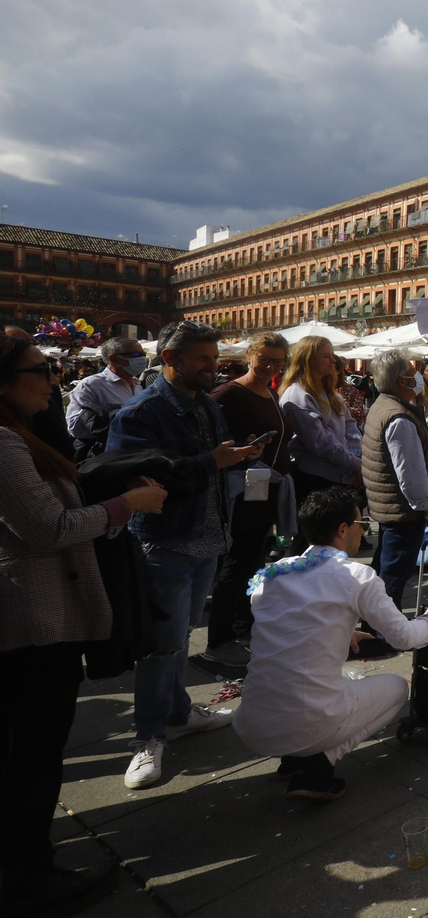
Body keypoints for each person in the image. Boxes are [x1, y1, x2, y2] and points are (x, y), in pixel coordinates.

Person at [0, 335, 167, 917]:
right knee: (36, 748)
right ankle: (27, 875)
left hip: (32, 616)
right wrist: (130, 506)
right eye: (38, 371)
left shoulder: (21, 437)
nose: (51, 382)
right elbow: (46, 528)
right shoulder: (2, 444)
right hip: (31, 620)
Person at [107, 320, 263, 790]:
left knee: (181, 637)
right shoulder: (141, 411)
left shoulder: (205, 406)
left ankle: (178, 712)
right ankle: (148, 737)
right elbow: (134, 477)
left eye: (214, 358)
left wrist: (238, 456)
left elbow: (212, 464)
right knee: (161, 645)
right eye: (202, 358)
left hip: (208, 539)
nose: (211, 366)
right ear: (170, 359)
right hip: (165, 542)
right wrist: (211, 462)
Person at [232, 488, 428, 802]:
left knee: (311, 687)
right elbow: (404, 638)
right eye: (361, 523)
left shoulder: (274, 573)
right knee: (398, 688)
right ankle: (320, 762)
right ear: (343, 529)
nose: (364, 530)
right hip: (309, 721)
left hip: (252, 724)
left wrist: (343, 633)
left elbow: (286, 626)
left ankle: (293, 758)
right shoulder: (356, 576)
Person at [204, 332, 291, 668]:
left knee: (252, 561)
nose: (270, 365)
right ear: (249, 355)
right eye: (264, 359)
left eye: (278, 361)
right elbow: (210, 437)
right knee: (236, 564)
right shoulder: (228, 392)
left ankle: (243, 626)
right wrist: (241, 449)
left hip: (264, 490)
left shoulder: (269, 391)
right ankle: (219, 638)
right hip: (241, 491)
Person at [360, 350, 428, 610]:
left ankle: (377, 625)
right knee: (394, 574)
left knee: (385, 570)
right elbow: (410, 475)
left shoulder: (383, 406)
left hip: (389, 506)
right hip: (401, 511)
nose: (417, 377)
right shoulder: (399, 417)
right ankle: (382, 629)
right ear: (402, 381)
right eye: (412, 373)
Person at [280, 337, 361, 509]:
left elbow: (351, 427)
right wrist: (354, 463)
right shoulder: (298, 396)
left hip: (338, 475)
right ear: (309, 359)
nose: (333, 360)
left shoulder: (331, 394)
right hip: (314, 479)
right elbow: (320, 442)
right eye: (326, 356)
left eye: (332, 355)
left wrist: (354, 457)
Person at [64, 336, 146, 460]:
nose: (142, 359)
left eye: (143, 354)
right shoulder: (91, 385)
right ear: (113, 358)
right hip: (108, 458)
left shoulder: (137, 385)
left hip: (137, 455)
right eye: (135, 354)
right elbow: (75, 427)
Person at [6, 327, 75, 461]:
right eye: (39, 370)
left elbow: (60, 440)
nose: (54, 381)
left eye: (28, 342)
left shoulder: (42, 399)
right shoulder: (6, 444)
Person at [335, 356, 368, 430]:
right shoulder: (319, 391)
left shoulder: (350, 390)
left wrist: (343, 400)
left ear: (338, 371)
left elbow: (359, 418)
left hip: (347, 435)